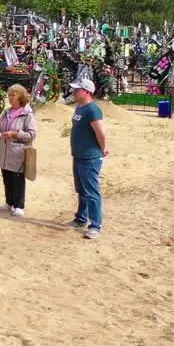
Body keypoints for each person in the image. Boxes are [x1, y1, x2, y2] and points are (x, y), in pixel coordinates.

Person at [68, 78, 109, 239]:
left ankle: (95, 225)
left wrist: (103, 148)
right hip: (78, 155)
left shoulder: (93, 110)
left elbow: (101, 132)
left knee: (91, 192)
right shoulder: (79, 107)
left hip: (90, 157)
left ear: (86, 92)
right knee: (81, 190)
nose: (74, 92)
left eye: (77, 90)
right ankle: (81, 218)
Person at [0, 84, 38, 217]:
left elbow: (32, 134)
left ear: (20, 97)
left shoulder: (27, 114)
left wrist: (15, 134)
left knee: (17, 180)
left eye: (13, 95)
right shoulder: (7, 111)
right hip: (5, 150)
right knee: (7, 177)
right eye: (9, 95)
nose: (10, 98)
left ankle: (19, 206)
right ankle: (8, 202)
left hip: (18, 152)